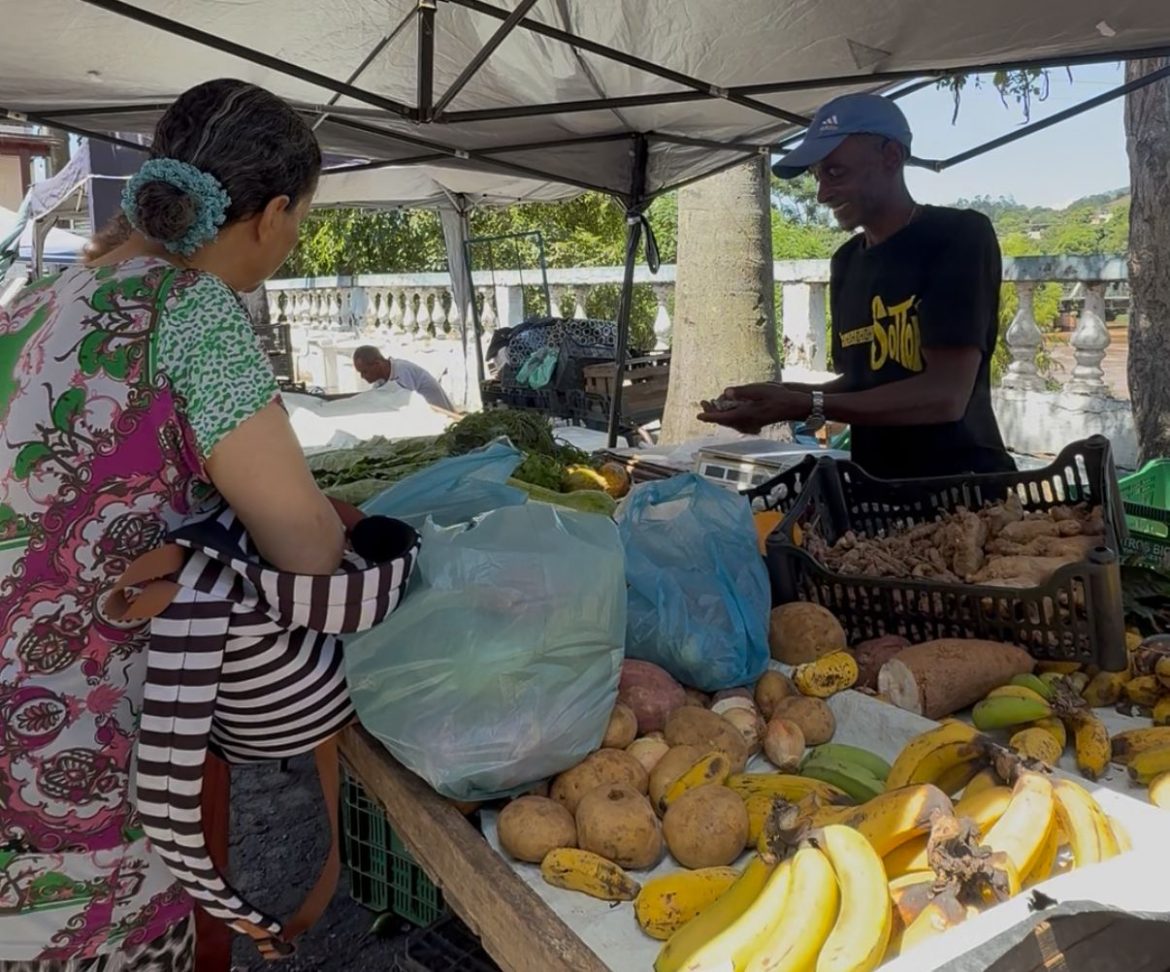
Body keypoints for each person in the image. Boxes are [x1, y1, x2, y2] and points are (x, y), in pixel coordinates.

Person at [0, 79, 345, 970]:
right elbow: (306, 546)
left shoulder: (33, 302)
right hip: (73, 756)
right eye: (300, 220)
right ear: (273, 215)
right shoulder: (191, 311)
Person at [699, 93, 1014, 480]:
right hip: (875, 489)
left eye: (835, 172)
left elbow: (946, 396)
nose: (822, 194)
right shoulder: (846, 261)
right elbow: (859, 383)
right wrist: (777, 397)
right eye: (817, 176)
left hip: (964, 489)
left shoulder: (958, 236)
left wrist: (804, 405)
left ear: (891, 157)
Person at [352, 345, 454, 411]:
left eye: (365, 372)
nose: (362, 377)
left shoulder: (402, 371)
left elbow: (406, 407)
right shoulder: (380, 382)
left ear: (377, 364)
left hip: (442, 418)